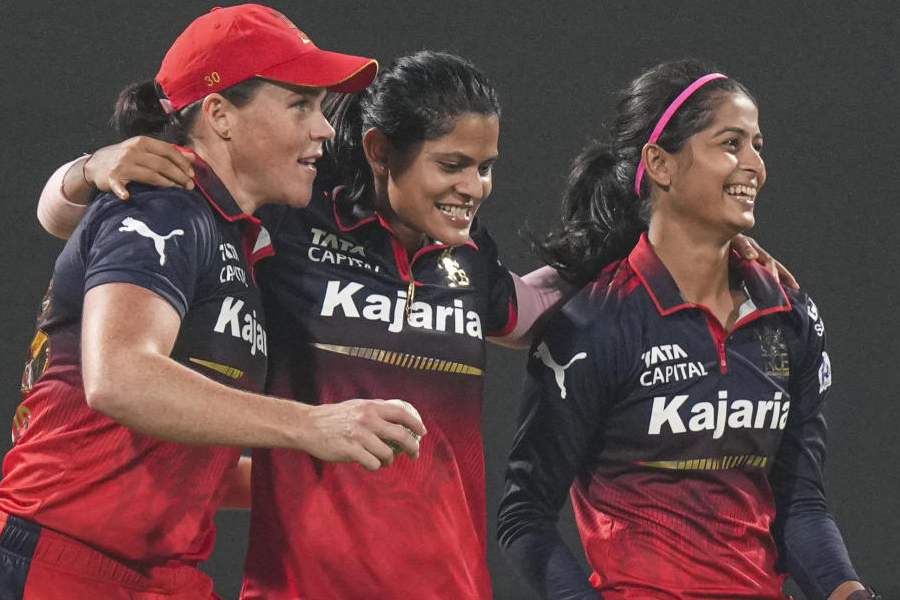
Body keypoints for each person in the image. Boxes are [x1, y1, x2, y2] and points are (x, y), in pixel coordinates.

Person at [35, 51, 794, 599]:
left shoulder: (466, 258)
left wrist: (690, 245)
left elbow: (536, 311)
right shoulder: (289, 228)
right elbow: (117, 225)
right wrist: (87, 168)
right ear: (379, 151)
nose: (476, 187)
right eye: (452, 165)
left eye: (486, 167)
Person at [0, 5, 426, 599]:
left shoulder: (237, 234)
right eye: (300, 105)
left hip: (158, 575)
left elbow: (167, 459)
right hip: (65, 561)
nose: (325, 129)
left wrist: (334, 477)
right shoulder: (164, 207)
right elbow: (119, 378)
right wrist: (312, 425)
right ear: (221, 115)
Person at [496, 59, 878, 600]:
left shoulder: (790, 314)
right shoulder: (593, 322)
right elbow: (525, 517)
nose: (755, 166)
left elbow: (801, 503)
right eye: (731, 144)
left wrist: (849, 592)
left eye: (758, 146)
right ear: (660, 163)